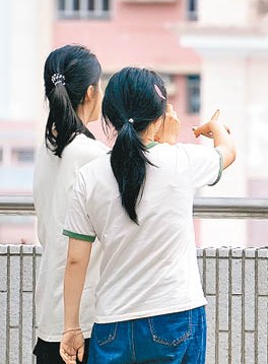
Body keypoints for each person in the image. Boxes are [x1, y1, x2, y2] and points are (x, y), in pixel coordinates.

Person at [59, 67, 236, 364]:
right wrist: (215, 127)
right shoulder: (181, 160)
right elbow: (227, 152)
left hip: (113, 321)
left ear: (109, 117)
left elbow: (76, 260)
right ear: (160, 117)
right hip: (175, 314)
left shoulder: (88, 177)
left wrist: (71, 327)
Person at [33, 45, 107, 364]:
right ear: (91, 92)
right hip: (84, 320)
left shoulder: (47, 147)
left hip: (51, 310)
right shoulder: (92, 154)